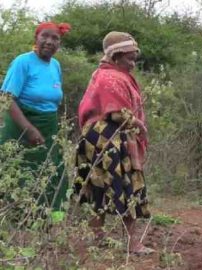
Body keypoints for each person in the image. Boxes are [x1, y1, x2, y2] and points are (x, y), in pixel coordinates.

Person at [75, 31, 153, 255]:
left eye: (134, 59)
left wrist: (136, 125)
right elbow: (117, 112)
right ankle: (113, 240)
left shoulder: (115, 75)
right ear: (116, 56)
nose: (132, 64)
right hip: (105, 139)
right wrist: (140, 125)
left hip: (114, 137)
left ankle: (125, 241)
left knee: (121, 185)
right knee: (112, 185)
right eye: (129, 59)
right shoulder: (108, 77)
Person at [0, 22, 71, 213]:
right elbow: (6, 98)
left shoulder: (55, 65)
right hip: (21, 126)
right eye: (45, 36)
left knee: (52, 169)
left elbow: (54, 99)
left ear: (59, 43)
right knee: (20, 170)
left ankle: (46, 218)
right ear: (36, 39)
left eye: (55, 38)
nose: (49, 41)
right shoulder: (23, 62)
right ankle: (16, 218)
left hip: (48, 126)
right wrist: (29, 129)